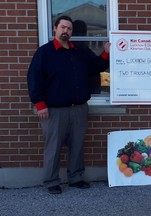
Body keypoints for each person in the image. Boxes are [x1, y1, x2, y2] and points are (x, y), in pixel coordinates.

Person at [27, 15, 110, 194]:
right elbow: (34, 79)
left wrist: (106, 53)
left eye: (69, 28)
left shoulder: (79, 51)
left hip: (79, 109)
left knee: (77, 145)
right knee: (53, 147)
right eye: (63, 27)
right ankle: (51, 181)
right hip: (54, 111)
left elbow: (95, 67)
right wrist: (39, 103)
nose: (66, 31)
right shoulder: (44, 53)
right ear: (55, 29)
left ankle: (76, 177)